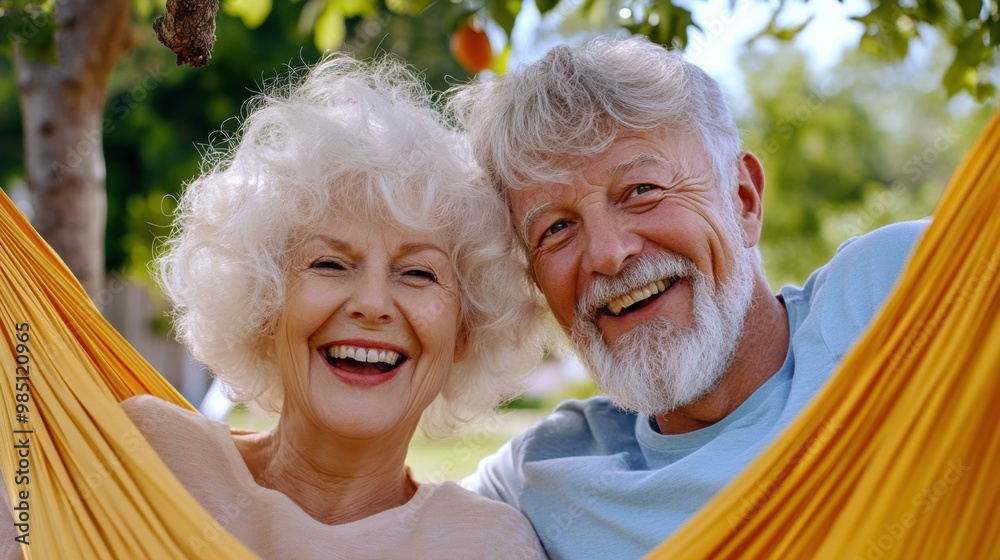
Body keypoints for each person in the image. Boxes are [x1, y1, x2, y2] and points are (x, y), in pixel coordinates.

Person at [2, 55, 549, 559]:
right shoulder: (142, 453)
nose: (373, 304)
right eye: (330, 264)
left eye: (417, 273)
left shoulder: (486, 544)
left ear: (466, 330)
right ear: (265, 301)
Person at [449, 36, 929, 559]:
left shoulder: (896, 290)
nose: (608, 255)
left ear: (743, 200)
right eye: (557, 228)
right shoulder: (538, 481)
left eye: (641, 190)